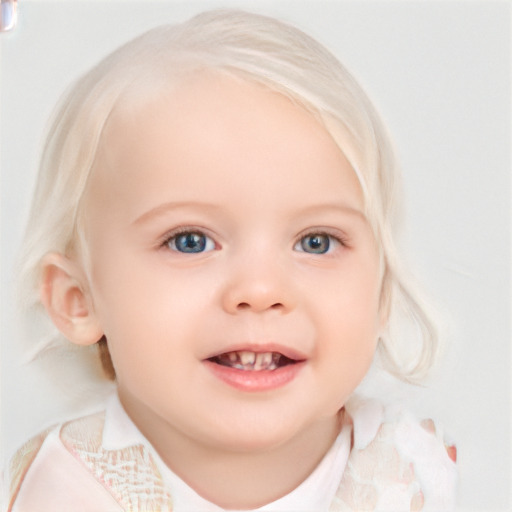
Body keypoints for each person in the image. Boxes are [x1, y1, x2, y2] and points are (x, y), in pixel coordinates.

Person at [5, 9, 457, 511]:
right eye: (190, 241)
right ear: (78, 299)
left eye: (317, 242)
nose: (261, 290)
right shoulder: (71, 492)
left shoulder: (409, 468)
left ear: (381, 291)